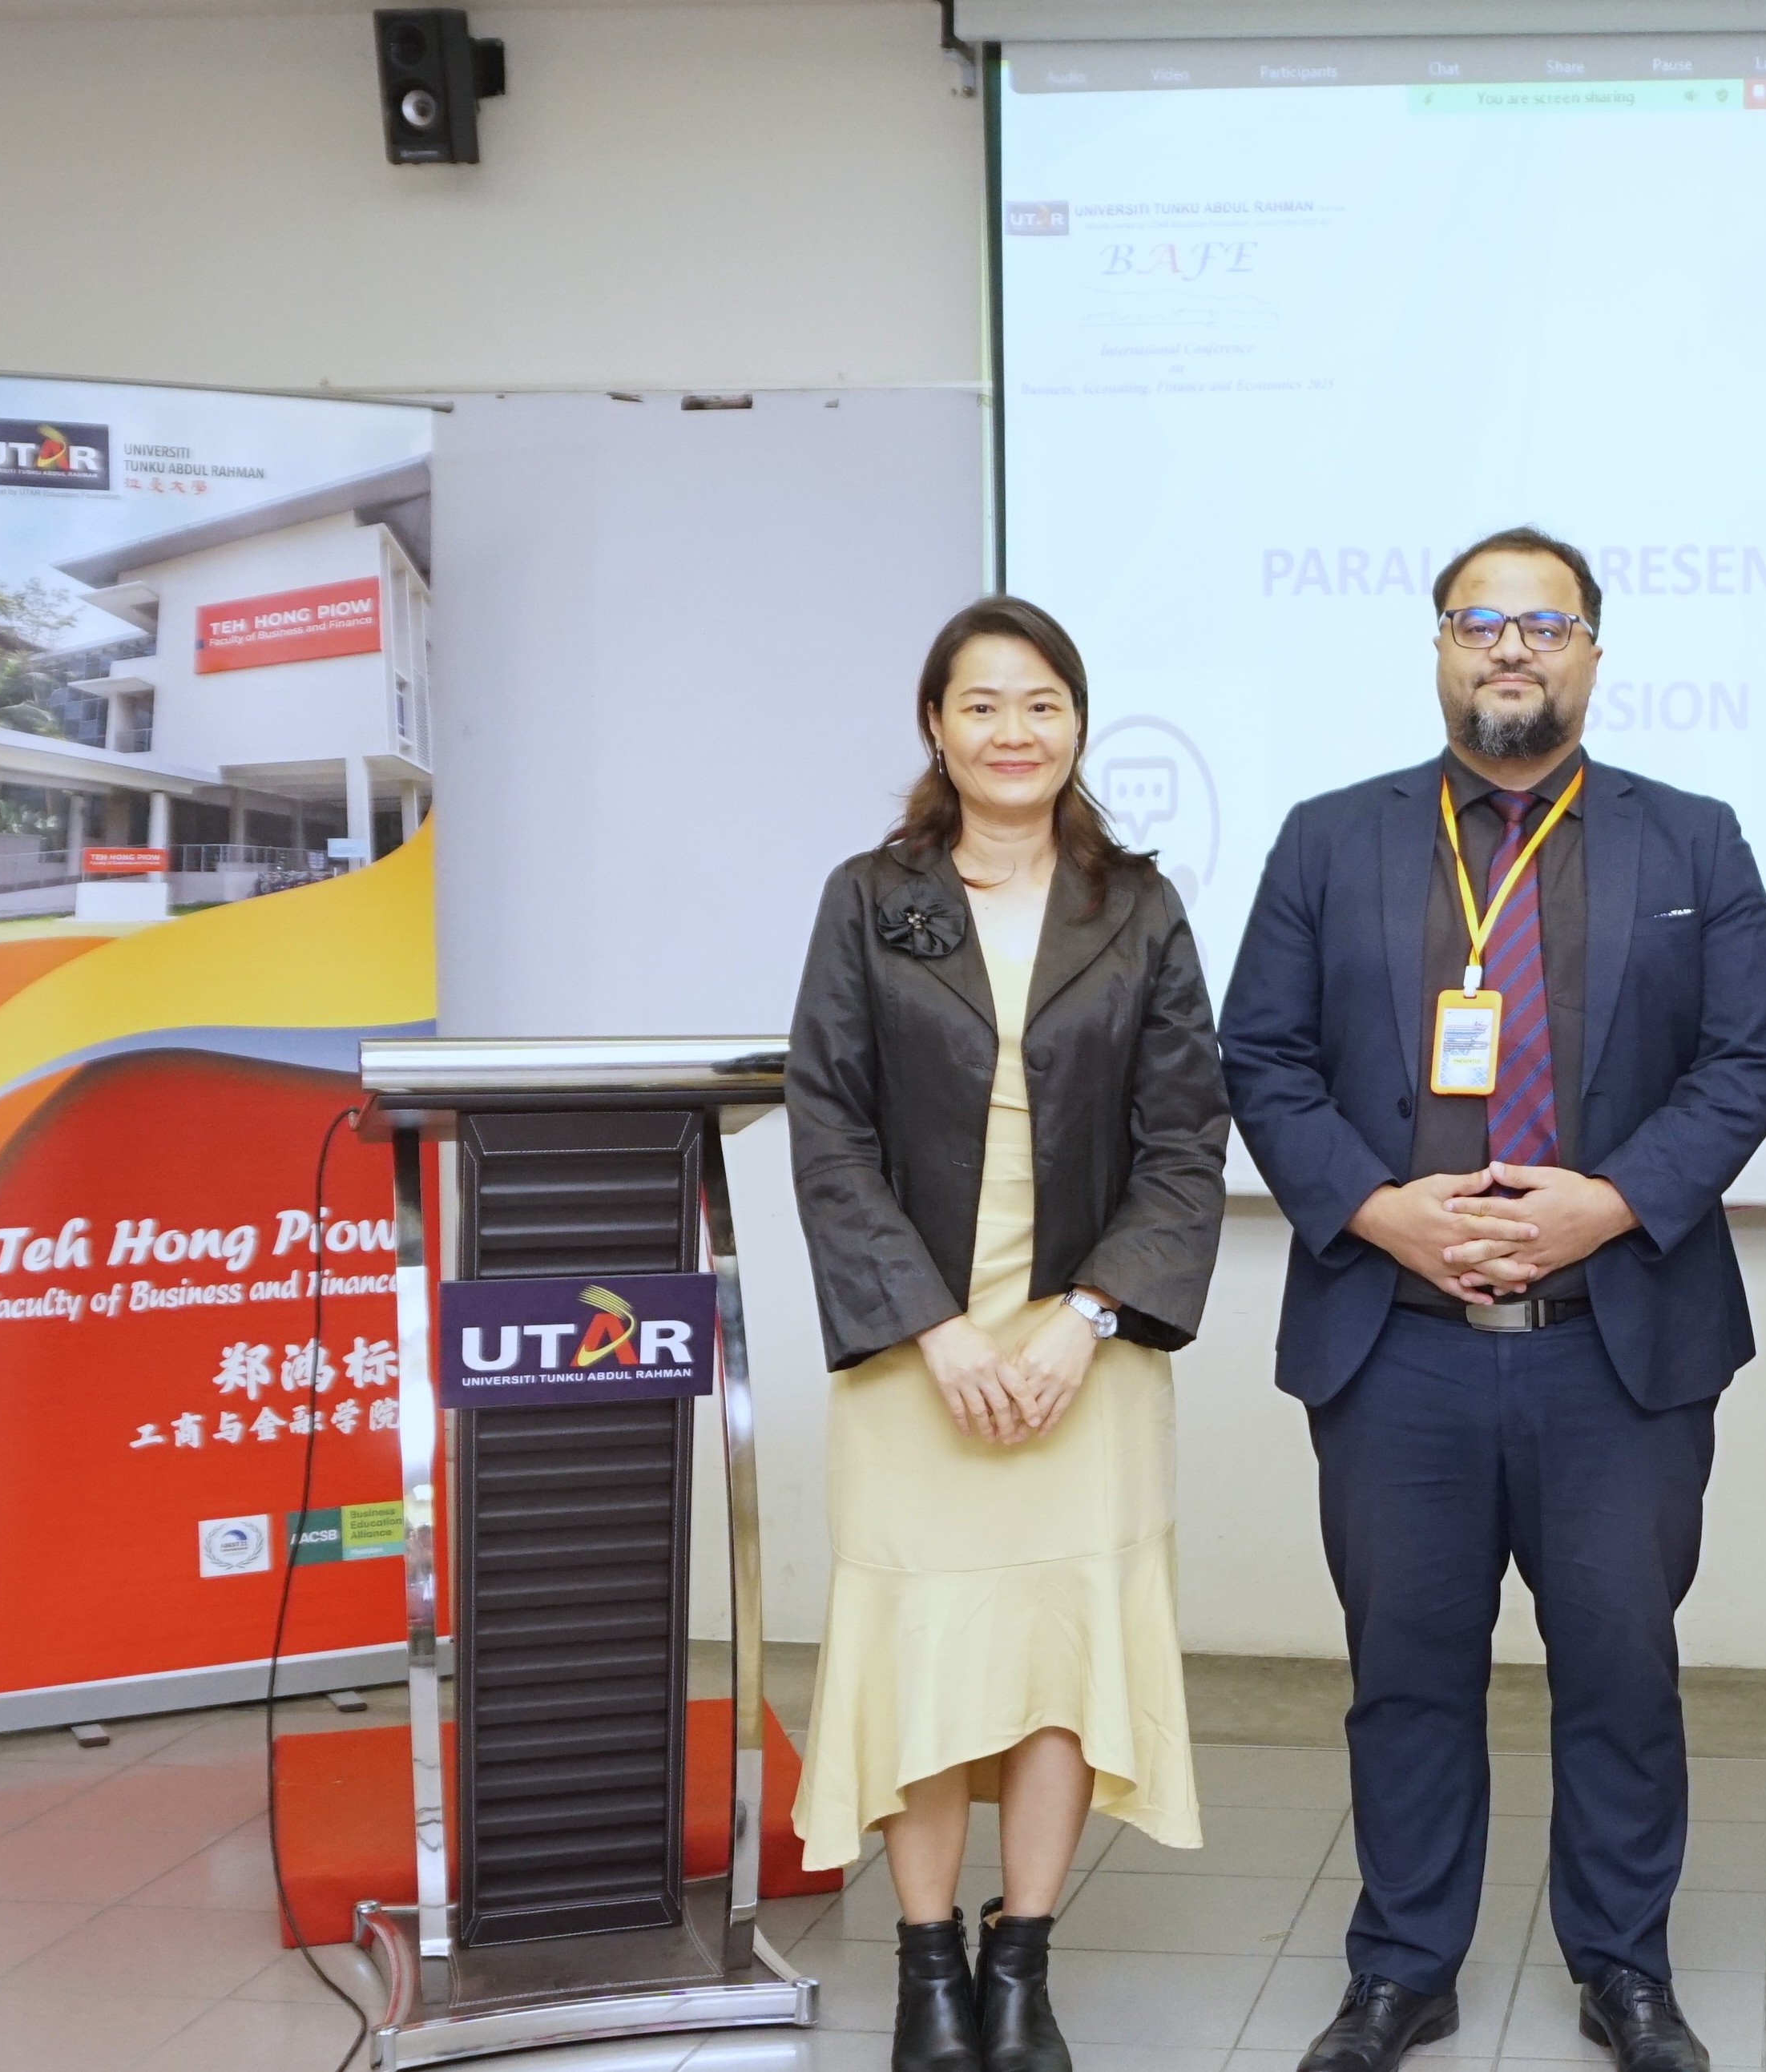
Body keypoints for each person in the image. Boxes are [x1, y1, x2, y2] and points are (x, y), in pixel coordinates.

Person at [1220, 526, 1766, 2072]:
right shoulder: (1329, 838)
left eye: (1546, 623)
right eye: (1482, 620)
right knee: (1406, 1674)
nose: (1513, 647)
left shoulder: (1696, 842)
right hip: (1396, 1341)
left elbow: (1746, 1060)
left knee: (1622, 1670)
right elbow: (1262, 1055)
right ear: (1439, 648)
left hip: (1616, 1342)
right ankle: (1403, 1968)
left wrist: (1607, 1204)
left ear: (1595, 651)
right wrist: (1380, 1212)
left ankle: (1625, 1966)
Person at [786, 596, 1231, 2072]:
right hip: (918, 1353)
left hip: (1082, 1354)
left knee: (1059, 1653)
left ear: (1078, 723)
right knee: (924, 1647)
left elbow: (1186, 1138)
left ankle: (1022, 1959)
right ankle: (928, 1963)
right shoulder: (870, 897)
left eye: (1041, 702)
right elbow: (830, 1128)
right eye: (982, 704)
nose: (1014, 730)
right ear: (937, 725)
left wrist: (1083, 1320)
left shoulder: (1138, 906)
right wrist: (935, 1329)